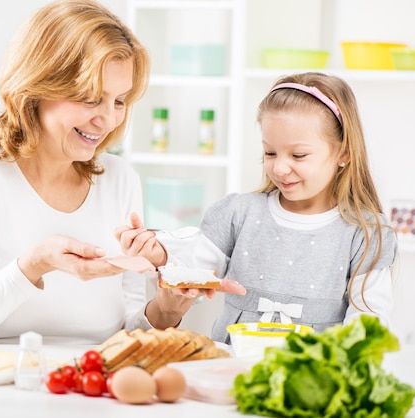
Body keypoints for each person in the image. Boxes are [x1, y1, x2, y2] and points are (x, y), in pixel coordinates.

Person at [0, 0, 242, 345]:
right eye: (89, 98)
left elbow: (124, 335)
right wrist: (35, 264)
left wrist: (167, 307)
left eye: (119, 101)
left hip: (86, 392)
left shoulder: (118, 179)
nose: (108, 119)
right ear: (37, 86)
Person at [116, 72, 397, 344]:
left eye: (298, 155)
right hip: (233, 369)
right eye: (270, 152)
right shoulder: (238, 214)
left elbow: (368, 319)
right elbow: (192, 274)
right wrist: (159, 256)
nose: (279, 167)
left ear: (344, 152)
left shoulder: (365, 233)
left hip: (315, 378)